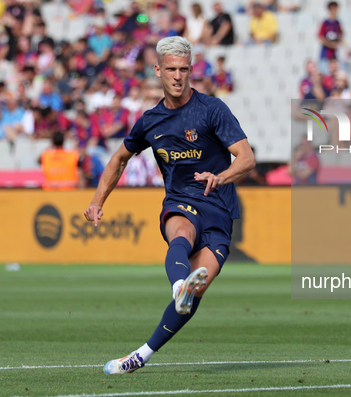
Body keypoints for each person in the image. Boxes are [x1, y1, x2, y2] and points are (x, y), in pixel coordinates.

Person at [84, 36, 255, 374]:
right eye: (172, 70)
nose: (178, 76)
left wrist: (220, 177)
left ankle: (141, 355)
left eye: (184, 69)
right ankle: (179, 284)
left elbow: (247, 159)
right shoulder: (151, 121)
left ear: (191, 71)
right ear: (158, 71)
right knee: (181, 233)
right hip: (181, 202)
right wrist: (96, 201)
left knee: (197, 293)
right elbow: (119, 160)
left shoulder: (212, 109)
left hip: (219, 209)